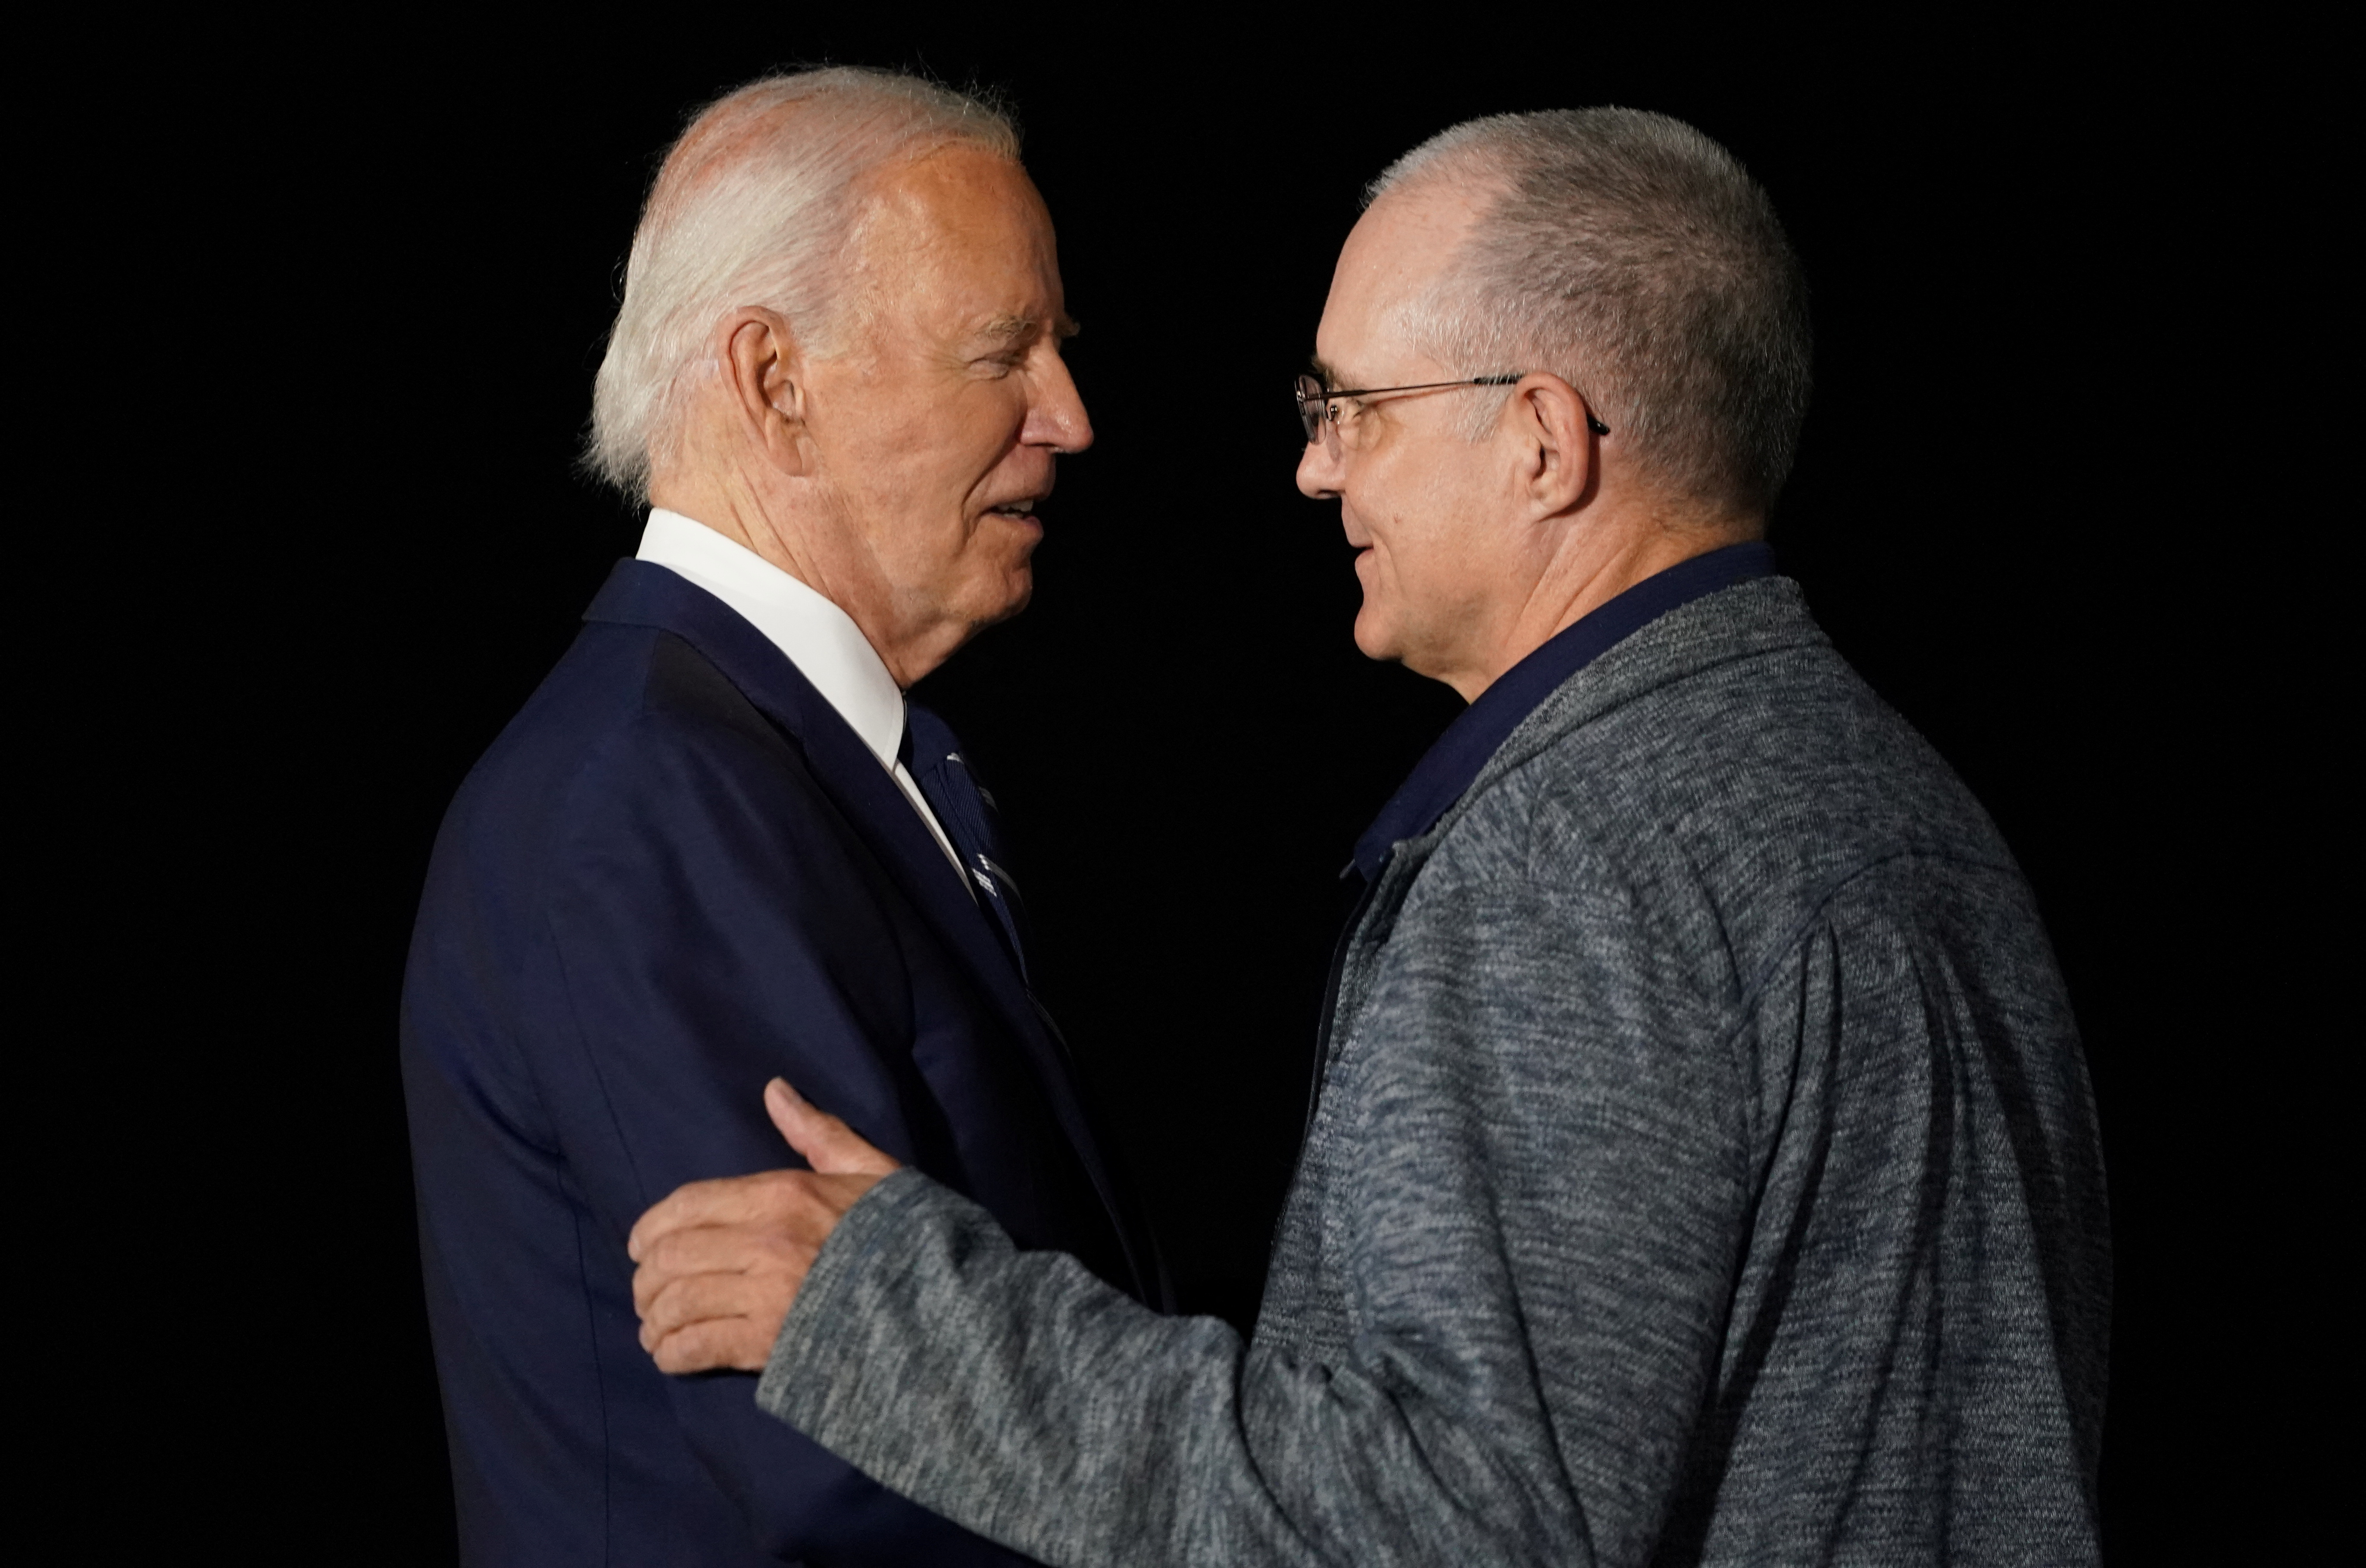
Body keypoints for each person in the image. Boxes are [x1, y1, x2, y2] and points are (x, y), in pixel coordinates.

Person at [628, 107, 2112, 1565]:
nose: (1315, 469)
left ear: (1540, 441)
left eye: (1352, 409)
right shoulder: (1901, 804)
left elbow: (1439, 1525)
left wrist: (898, 1322)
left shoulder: (1575, 859)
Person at [400, 68, 1159, 1565]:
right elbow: (848, 1462)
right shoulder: (648, 799)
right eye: (1001, 353)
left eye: (1058, 350)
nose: (1068, 415)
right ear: (772, 380)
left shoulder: (757, 754)